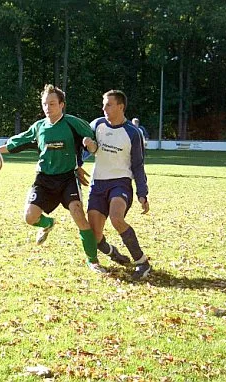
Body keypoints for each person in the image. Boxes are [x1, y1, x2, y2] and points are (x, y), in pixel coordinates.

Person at [0, 84, 109, 273]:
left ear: (62, 104)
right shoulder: (39, 127)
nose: (48, 108)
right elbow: (16, 143)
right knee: (30, 217)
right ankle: (48, 224)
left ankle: (93, 261)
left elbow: (92, 143)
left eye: (52, 103)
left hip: (67, 179)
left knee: (79, 214)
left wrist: (88, 151)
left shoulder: (73, 123)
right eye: (45, 104)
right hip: (44, 180)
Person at [87, 90, 151, 280]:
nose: (104, 108)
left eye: (108, 104)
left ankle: (142, 263)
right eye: (104, 104)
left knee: (116, 218)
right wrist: (78, 164)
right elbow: (83, 148)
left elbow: (138, 165)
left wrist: (142, 192)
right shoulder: (96, 125)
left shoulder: (133, 132)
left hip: (120, 183)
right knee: (95, 235)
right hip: (97, 183)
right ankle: (111, 252)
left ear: (120, 107)